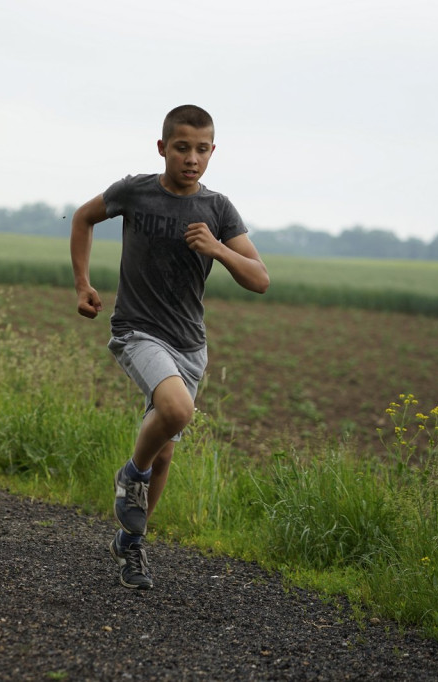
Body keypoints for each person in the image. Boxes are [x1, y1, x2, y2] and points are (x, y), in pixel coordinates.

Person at [70, 105, 270, 590]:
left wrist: (219, 249)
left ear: (213, 152)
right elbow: (83, 217)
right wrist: (82, 284)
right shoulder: (134, 192)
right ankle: (130, 474)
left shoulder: (218, 209)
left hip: (190, 345)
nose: (192, 158)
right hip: (137, 330)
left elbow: (260, 279)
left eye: (202, 149)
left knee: (164, 453)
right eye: (182, 148)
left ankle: (130, 547)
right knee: (177, 412)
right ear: (163, 148)